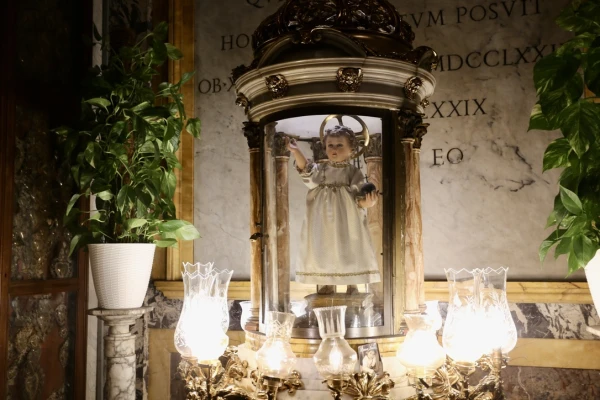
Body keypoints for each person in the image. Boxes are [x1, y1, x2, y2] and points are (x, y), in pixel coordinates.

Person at [287, 125, 381, 290]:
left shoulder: (353, 172)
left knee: (349, 247)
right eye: (330, 145)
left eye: (339, 145)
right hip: (323, 219)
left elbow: (359, 197)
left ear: (351, 149)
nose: (334, 149)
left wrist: (368, 203)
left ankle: (352, 284)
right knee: (325, 248)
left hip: (347, 218)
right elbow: (306, 171)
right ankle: (327, 283)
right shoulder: (321, 169)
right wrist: (296, 151)